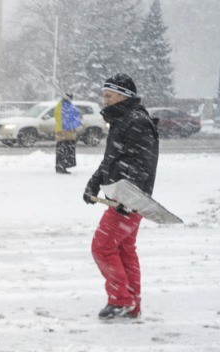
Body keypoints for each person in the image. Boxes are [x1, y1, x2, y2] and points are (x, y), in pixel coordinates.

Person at [83, 73, 159, 320]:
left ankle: (120, 300)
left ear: (123, 96)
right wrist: (93, 185)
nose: (104, 100)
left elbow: (143, 164)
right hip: (123, 197)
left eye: (109, 96)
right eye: (103, 95)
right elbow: (111, 160)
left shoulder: (136, 121)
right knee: (124, 250)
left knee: (102, 247)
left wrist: (129, 198)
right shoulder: (123, 120)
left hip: (129, 199)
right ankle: (131, 305)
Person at [54, 93, 81, 173]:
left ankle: (62, 166)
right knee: (65, 149)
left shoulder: (64, 105)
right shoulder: (64, 106)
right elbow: (67, 118)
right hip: (65, 132)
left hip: (65, 131)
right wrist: (74, 125)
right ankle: (62, 167)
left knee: (64, 149)